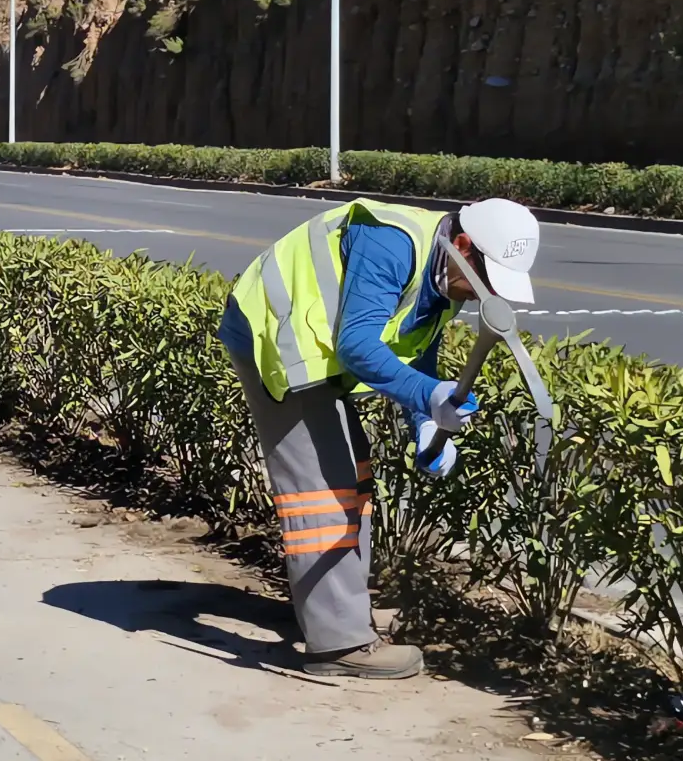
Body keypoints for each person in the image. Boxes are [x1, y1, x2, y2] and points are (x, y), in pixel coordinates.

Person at [218, 197, 541, 679]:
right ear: (463, 245)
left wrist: (426, 418)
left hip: (315, 348)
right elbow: (357, 344)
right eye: (488, 280)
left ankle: (338, 613)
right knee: (322, 491)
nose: (483, 295)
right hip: (274, 336)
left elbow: (416, 354)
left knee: (352, 476)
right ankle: (337, 645)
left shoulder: (445, 274)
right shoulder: (393, 242)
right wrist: (429, 395)